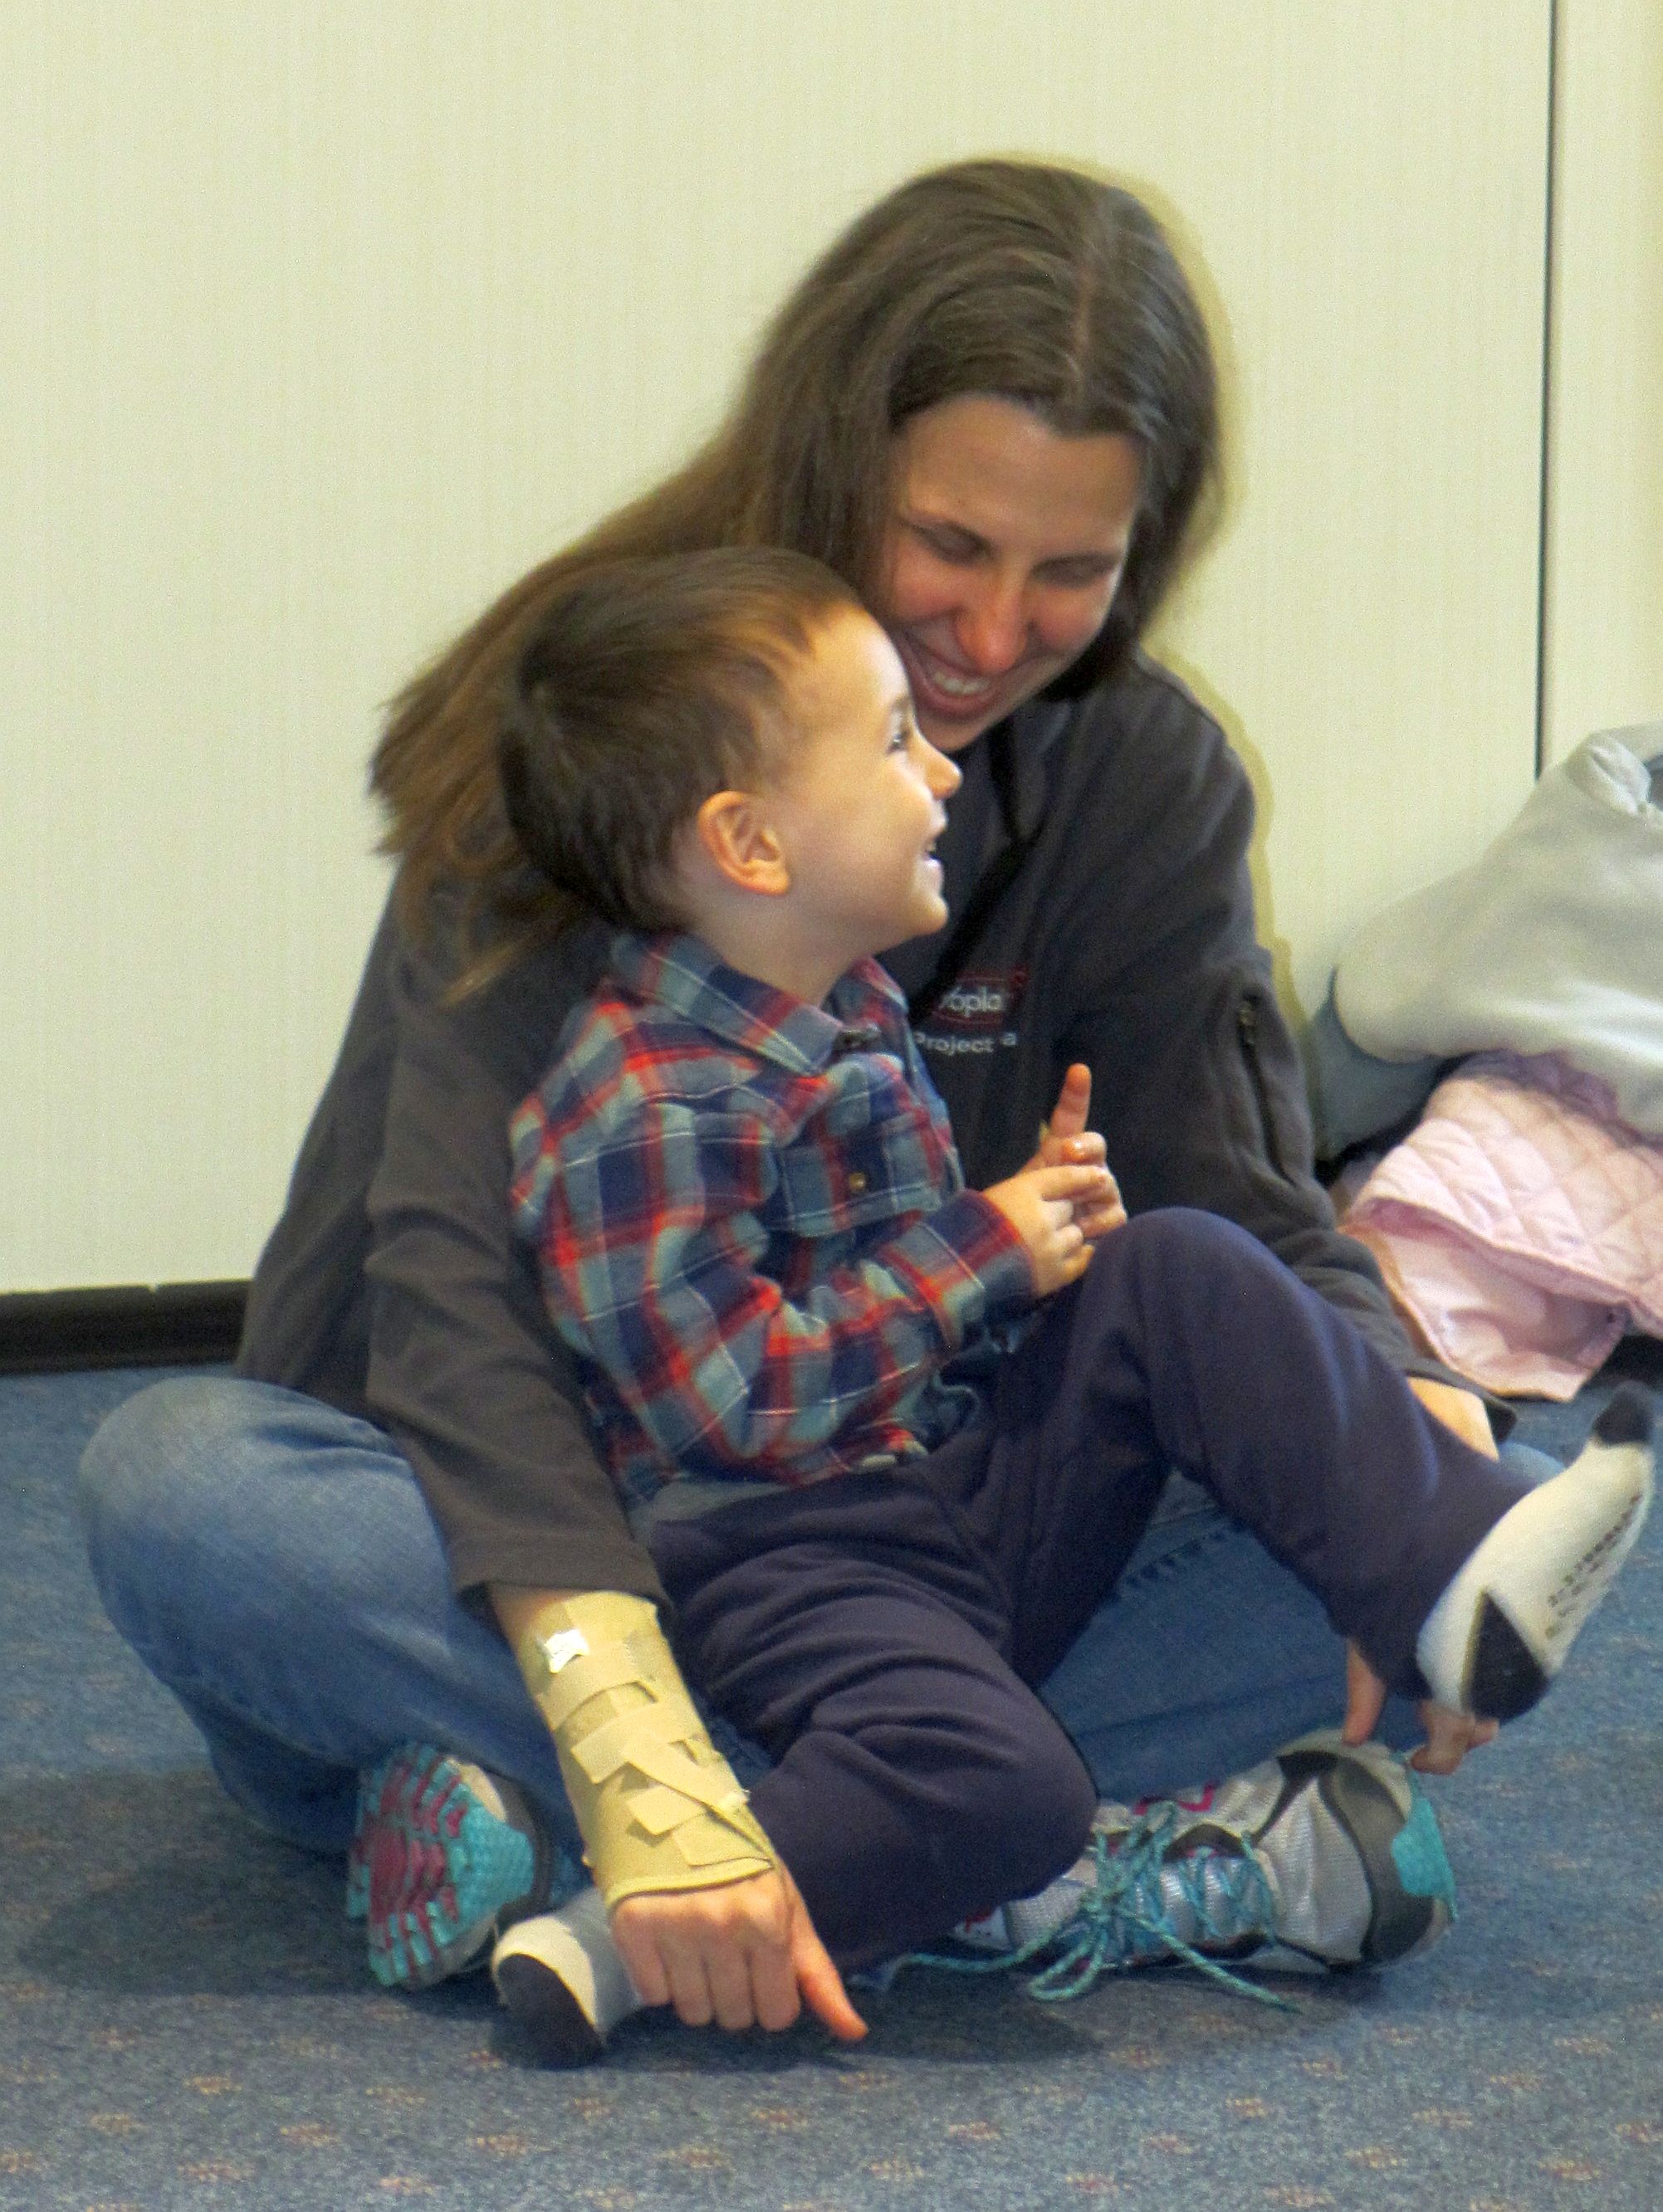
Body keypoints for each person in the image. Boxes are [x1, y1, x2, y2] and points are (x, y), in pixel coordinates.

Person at [76, 156, 1574, 2045]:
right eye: (950, 544)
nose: (992, 635)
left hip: (904, 1538)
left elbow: (1240, 1205)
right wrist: (621, 1720)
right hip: (535, 1508)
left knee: (1454, 1516)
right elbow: (448, 1294)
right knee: (181, 1487)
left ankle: (567, 1830)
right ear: (833, 469)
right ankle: (950, 1846)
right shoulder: (597, 720)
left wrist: (1404, 1430)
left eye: (1073, 573)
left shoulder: (1146, 775)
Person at [457, 544, 1651, 2059]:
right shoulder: (632, 1104)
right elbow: (735, 1401)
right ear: (750, 843)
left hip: (949, 1490)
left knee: (1176, 1266)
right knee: (1006, 1788)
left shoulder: (849, 1000)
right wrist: (983, 1251)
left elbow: (931, 1307)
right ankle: (631, 1928)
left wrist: (1042, 1243)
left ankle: (1447, 1578)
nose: (941, 774)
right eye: (895, 741)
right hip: (783, 1559)